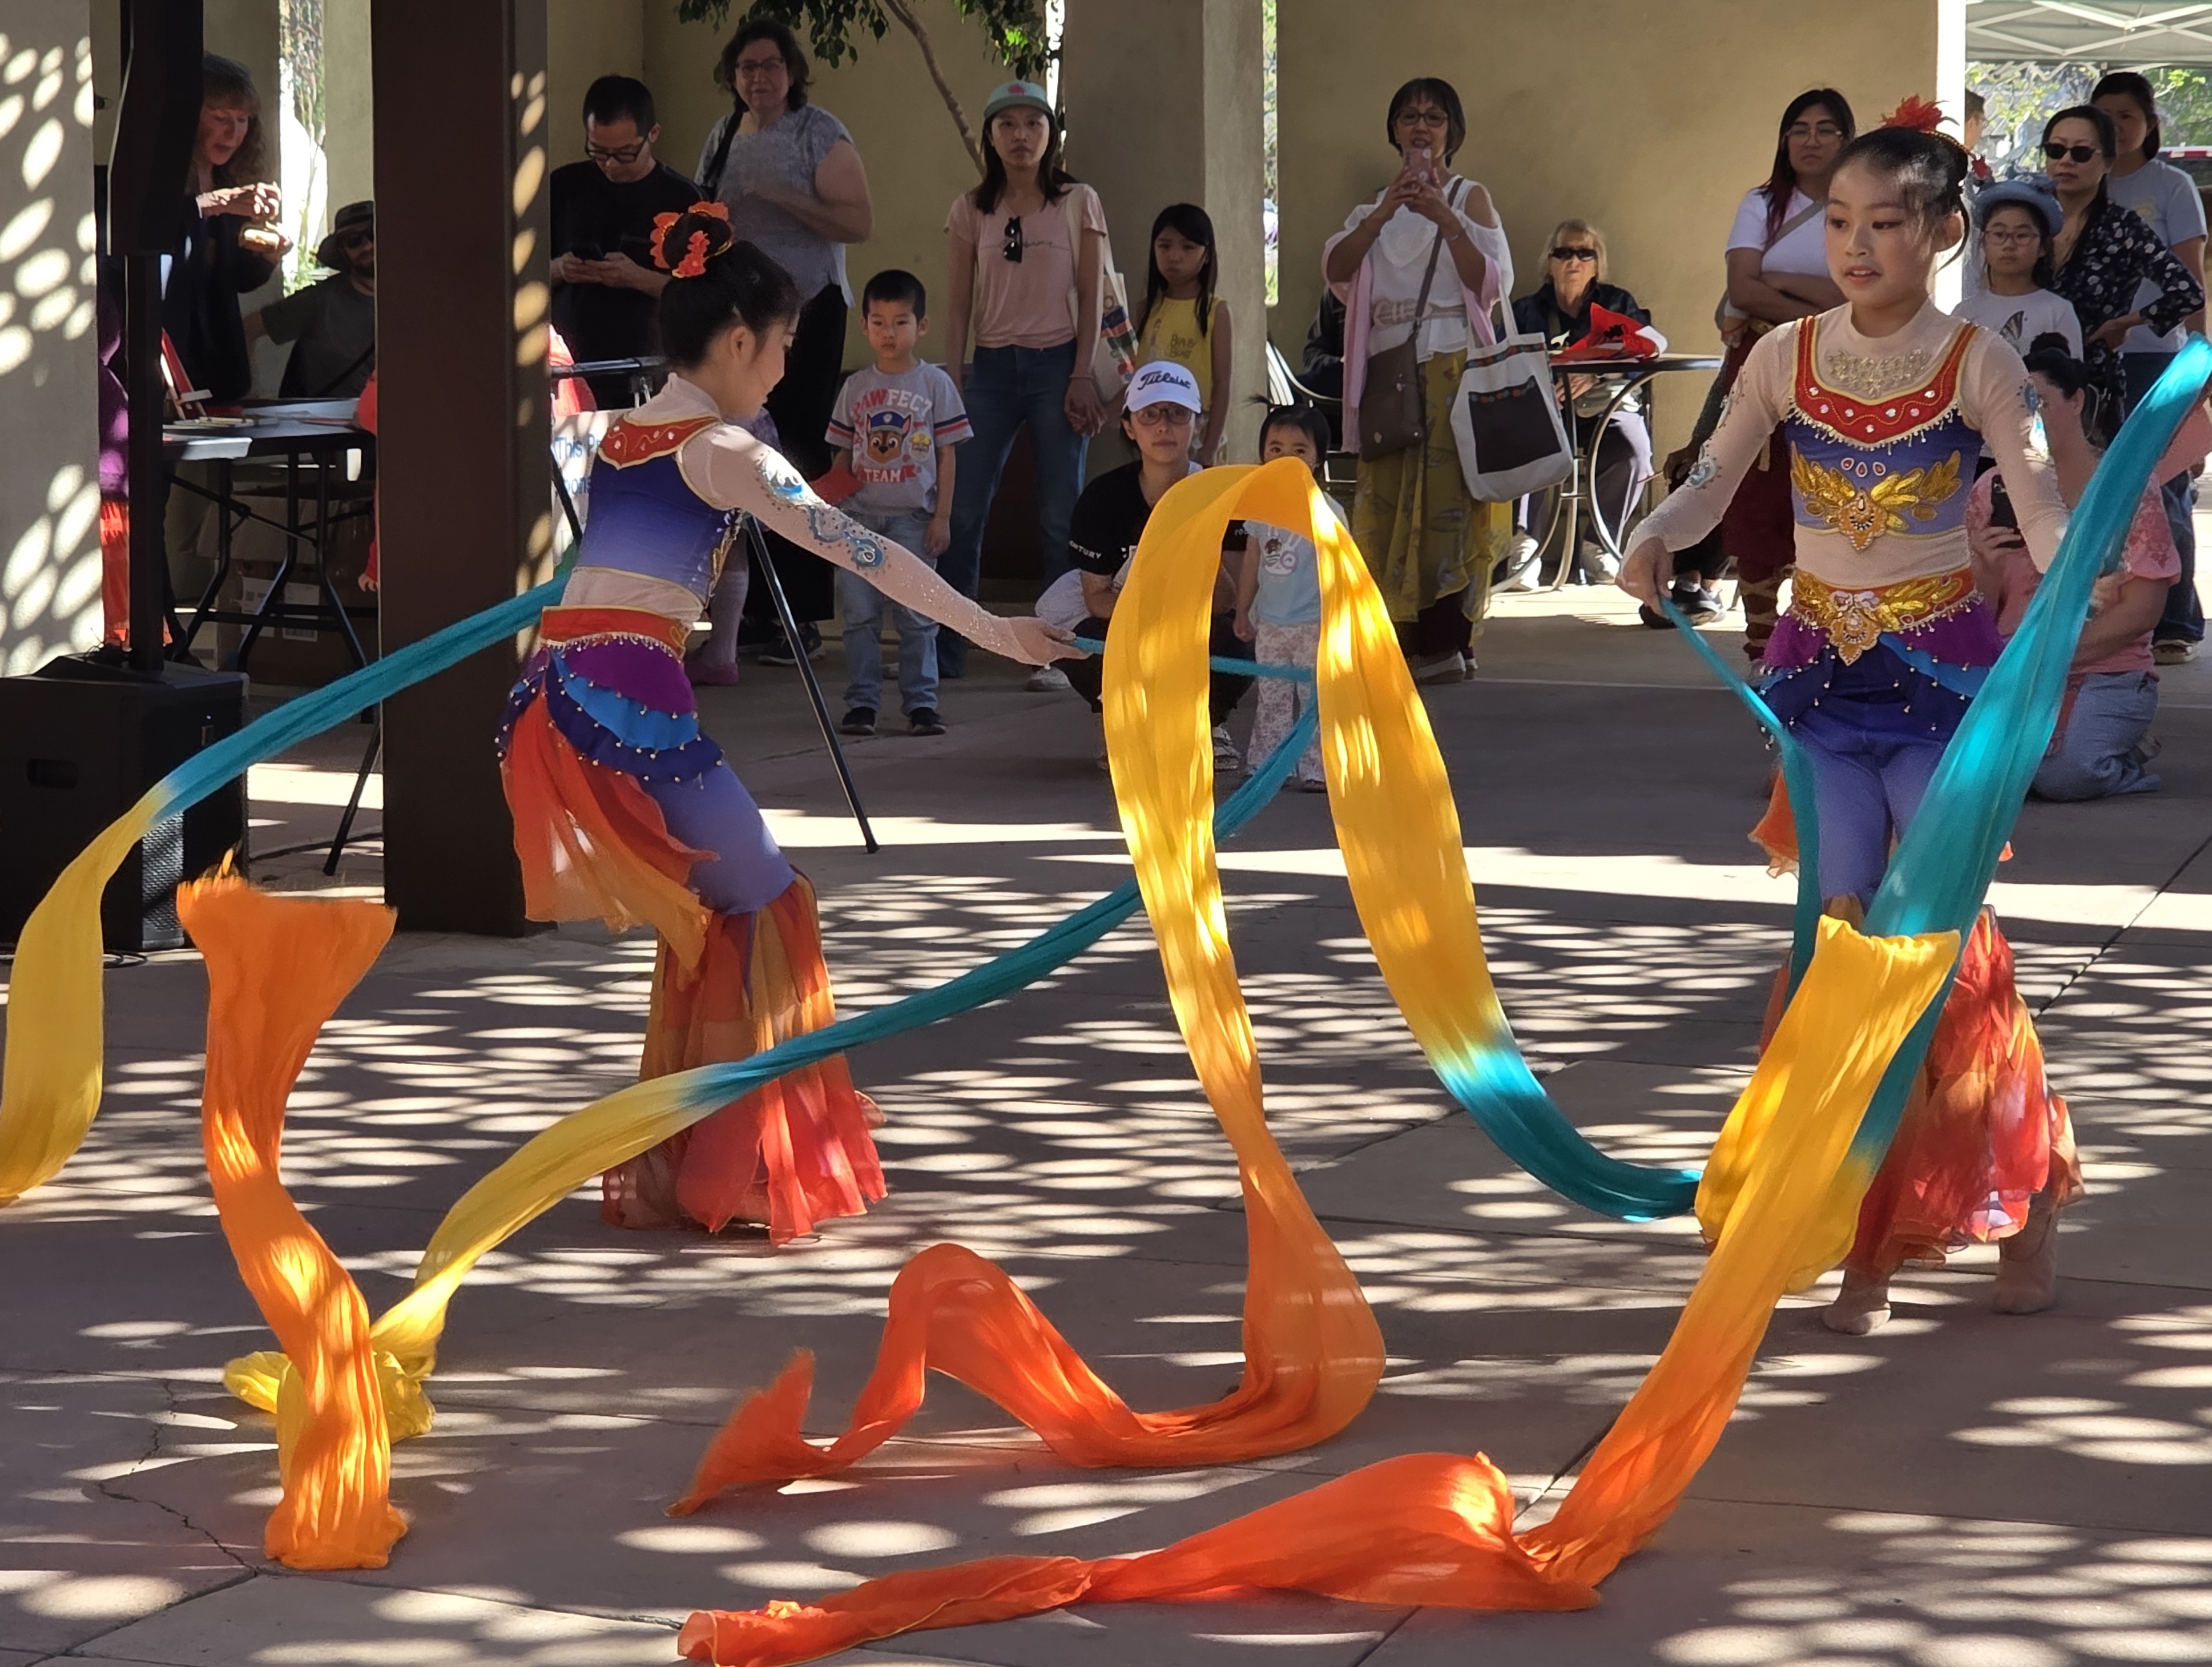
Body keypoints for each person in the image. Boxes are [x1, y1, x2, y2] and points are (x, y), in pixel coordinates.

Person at [497, 209, 1070, 1243]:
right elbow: (863, 551)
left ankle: (723, 1139)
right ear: (736, 341)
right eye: (783, 346)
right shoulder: (725, 449)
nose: (784, 369)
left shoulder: (621, 432)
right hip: (629, 700)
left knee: (735, 904)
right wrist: (997, 630)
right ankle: (746, 1159)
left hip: (565, 687)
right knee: (765, 900)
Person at [1620, 113, 2084, 1335]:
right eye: (1836, 221)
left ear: (1943, 232)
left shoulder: (1978, 361)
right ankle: (1857, 1232)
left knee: (1937, 949)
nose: (1856, 244)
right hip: (1819, 689)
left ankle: (2027, 1192)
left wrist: (2066, 575)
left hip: (1935, 689)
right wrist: (1656, 534)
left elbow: (2037, 500)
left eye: (1884, 222)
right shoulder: (1785, 354)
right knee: (1838, 954)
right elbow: (1711, 478)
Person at [1323, 76, 1513, 684]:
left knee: (1446, 503)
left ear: (1451, 131)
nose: (1420, 127)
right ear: (1394, 131)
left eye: (1433, 117)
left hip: (1450, 360)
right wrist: (1384, 212)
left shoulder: (1468, 196)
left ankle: (1445, 640)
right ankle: (1400, 638)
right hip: (1389, 369)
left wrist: (1444, 219)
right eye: (1409, 117)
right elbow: (1336, 269)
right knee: (1388, 500)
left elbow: (1494, 282)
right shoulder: (1371, 207)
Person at [696, 21, 874, 662]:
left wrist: (781, 196)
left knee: (797, 455)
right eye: (746, 68)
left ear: (792, 71)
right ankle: (749, 613)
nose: (758, 78)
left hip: (809, 313)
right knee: (745, 456)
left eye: (770, 65)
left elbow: (858, 222)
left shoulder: (818, 132)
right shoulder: (722, 135)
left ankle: (801, 614)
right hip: (741, 318)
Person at [941, 79, 1111, 691]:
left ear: (1050, 135)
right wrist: (951, 378)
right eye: (1007, 125)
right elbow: (958, 302)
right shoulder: (969, 209)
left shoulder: (1078, 201)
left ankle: (1060, 654)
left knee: (1059, 513)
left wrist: (1081, 373)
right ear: (990, 136)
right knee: (961, 509)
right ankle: (946, 649)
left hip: (1057, 365)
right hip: (988, 370)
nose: (1020, 136)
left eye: (1033, 124)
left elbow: (1093, 293)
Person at [1969, 343, 2173, 800]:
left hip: (2104, 669)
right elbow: (1974, 614)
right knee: (1981, 778)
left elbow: (2143, 610)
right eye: (2013, 406)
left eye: (2038, 401)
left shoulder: (2128, 490)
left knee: (2065, 777)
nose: (2026, 417)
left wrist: (2052, 655)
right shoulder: (1990, 490)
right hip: (2012, 672)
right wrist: (1984, 568)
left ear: (2076, 400)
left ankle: (2123, 756)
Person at [1708, 88, 1854, 661]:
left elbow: (1856, 292)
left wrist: (1778, 283)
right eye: (1799, 129)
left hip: (1839, 367)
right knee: (1756, 491)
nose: (1810, 141)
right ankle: (1761, 645)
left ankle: (1825, 642)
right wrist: (1818, 308)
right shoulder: (1761, 203)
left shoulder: (1859, 207)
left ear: (1846, 139)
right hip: (1763, 361)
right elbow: (1741, 289)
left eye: (1825, 129)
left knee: (1833, 491)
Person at [1053, 361, 1252, 767]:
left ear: (1197, 424)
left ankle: (1208, 722)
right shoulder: (1102, 499)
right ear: (1129, 427)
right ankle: (1118, 718)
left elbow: (1229, 600)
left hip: (1197, 623)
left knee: (1240, 642)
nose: (1164, 427)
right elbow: (1096, 599)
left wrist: (1198, 527)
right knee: (1075, 642)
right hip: (1128, 620)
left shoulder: (1223, 494)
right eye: (1150, 415)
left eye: (1178, 414)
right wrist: (1156, 621)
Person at [2092, 73, 2209, 666]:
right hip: (2089, 360)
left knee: (2162, 488)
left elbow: (2190, 277)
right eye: (2104, 115)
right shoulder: (2080, 181)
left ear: (2149, 124)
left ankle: (2173, 619)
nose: (2115, 127)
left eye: (2126, 116)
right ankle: (2108, 611)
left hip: (2156, 358)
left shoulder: (2171, 185)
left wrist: (2200, 361)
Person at [825, 269, 970, 738]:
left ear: (921, 326)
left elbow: (947, 456)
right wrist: (830, 511)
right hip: (858, 519)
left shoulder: (936, 384)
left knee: (917, 616)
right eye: (879, 322)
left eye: (901, 322)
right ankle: (862, 703)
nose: (889, 333)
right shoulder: (855, 388)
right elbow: (842, 452)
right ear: (864, 325)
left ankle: (922, 703)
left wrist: (942, 516)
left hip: (914, 520)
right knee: (859, 616)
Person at [1508, 219, 1657, 591]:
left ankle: (1599, 545)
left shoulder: (1617, 304)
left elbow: (1647, 349)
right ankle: (1524, 546)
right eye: (1563, 253)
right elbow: (1503, 361)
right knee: (1524, 438)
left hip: (1607, 407)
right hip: (1547, 410)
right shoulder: (1526, 310)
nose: (1573, 261)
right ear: (1549, 263)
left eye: (1583, 253)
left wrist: (1596, 373)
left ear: (1596, 264)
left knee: (1633, 451)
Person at [549, 75, 700, 408]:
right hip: (568, 372)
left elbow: (703, 296)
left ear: (653, 135)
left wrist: (636, 278)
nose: (611, 164)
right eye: (598, 151)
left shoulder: (684, 199)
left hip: (648, 372)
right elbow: (514, 279)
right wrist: (560, 269)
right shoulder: (563, 186)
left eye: (625, 153)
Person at [165, 54, 289, 407]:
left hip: (218, 361)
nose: (233, 133)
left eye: (242, 120)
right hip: (165, 358)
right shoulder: (159, 174)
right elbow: (148, 235)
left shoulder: (230, 179)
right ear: (189, 118)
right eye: (220, 118)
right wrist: (215, 203)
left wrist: (267, 257)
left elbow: (235, 280)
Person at [1232, 404, 1336, 792]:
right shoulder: (1262, 511)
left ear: (1317, 460)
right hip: (1272, 624)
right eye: (1275, 449)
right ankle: (1267, 766)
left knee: (1314, 700)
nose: (1285, 458)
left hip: (1314, 624)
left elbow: (1340, 569)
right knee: (1272, 695)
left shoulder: (1327, 512)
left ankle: (1317, 767)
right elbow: (1252, 562)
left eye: (1299, 450)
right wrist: (1243, 610)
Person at [1134, 203, 1234, 465]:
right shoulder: (1146, 310)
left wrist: (1210, 446)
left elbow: (1222, 385)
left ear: (1207, 255)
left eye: (1188, 247)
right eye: (1165, 246)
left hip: (1196, 432)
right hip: (1151, 428)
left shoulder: (1216, 312)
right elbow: (1134, 376)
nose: (1174, 256)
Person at [246, 200, 377, 398]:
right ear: (343, 251)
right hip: (330, 417)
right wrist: (250, 394)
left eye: (374, 234)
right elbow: (248, 328)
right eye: (353, 240)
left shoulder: (417, 302)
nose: (367, 246)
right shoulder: (320, 301)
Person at [1952, 180, 2082, 363]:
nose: (2009, 245)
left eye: (2022, 235)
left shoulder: (2058, 311)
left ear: (2043, 247)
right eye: (1999, 234)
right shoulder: (1965, 312)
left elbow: (2068, 376)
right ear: (1983, 243)